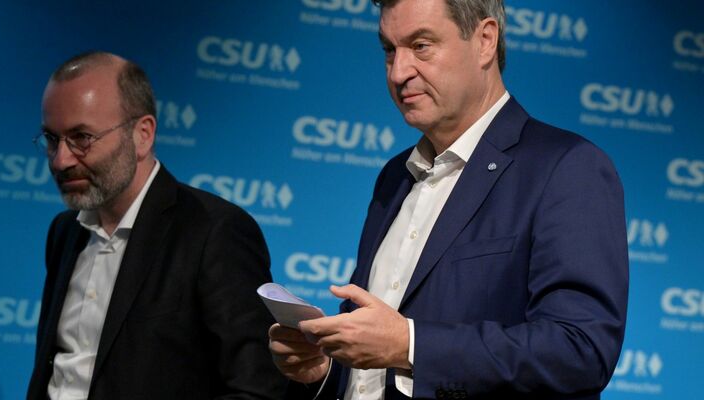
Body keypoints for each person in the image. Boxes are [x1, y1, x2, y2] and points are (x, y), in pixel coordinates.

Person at [269, 0, 628, 399]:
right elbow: (374, 367)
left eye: (421, 45)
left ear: (485, 41)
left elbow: (580, 350)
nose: (399, 71)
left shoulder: (566, 168)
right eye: (390, 49)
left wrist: (410, 344)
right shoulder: (393, 176)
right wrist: (322, 370)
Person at [26, 51, 287, 400]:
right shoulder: (64, 231)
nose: (61, 160)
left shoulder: (215, 231)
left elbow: (258, 389)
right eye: (52, 139)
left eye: (81, 138)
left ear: (143, 134)